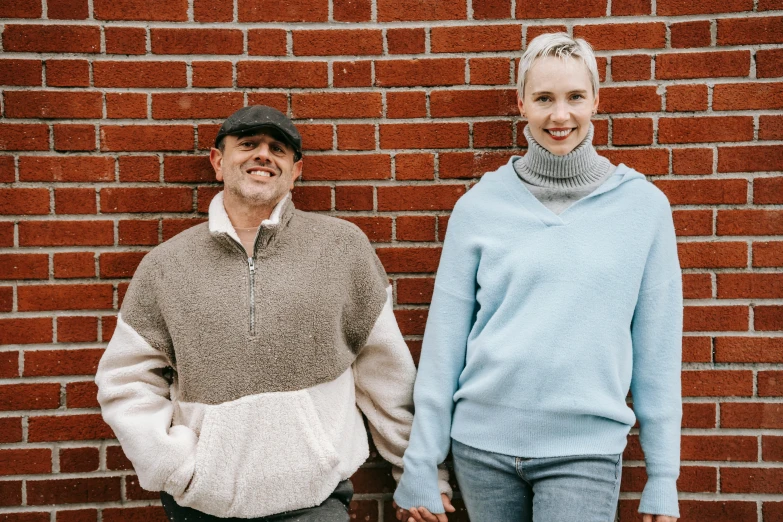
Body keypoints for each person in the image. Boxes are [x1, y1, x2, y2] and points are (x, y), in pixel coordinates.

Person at [95, 105, 450, 521]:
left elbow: (386, 376)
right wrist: (174, 466)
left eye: (277, 149)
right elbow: (125, 380)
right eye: (248, 144)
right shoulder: (166, 265)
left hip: (314, 501)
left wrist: (420, 476)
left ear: (295, 171)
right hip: (200, 504)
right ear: (218, 161)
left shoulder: (341, 248)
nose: (263, 155)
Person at [393, 33, 682, 522]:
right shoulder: (478, 207)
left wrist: (663, 476)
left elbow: (658, 354)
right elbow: (444, 347)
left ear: (596, 100)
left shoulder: (644, 208)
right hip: (480, 448)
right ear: (521, 104)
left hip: (585, 450)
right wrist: (421, 462)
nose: (560, 115)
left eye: (574, 97)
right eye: (544, 98)